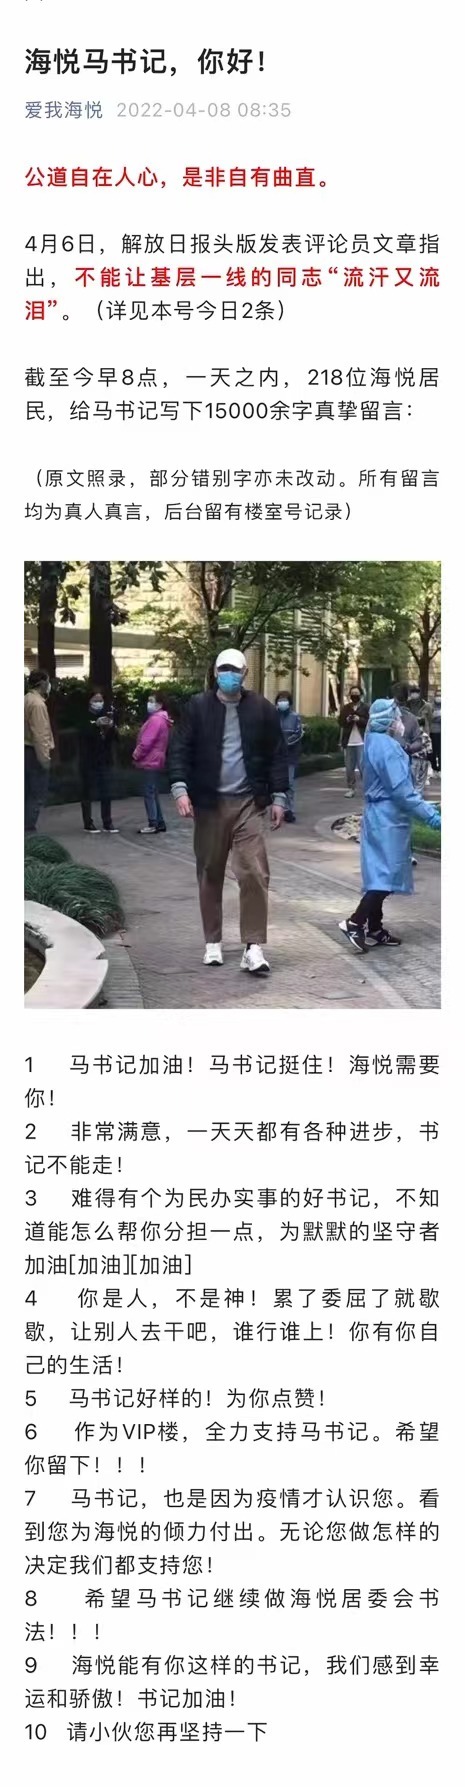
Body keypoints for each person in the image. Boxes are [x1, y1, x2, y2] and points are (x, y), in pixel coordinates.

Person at [169, 648, 288, 974]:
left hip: (249, 803)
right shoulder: (197, 707)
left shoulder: (261, 709)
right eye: (223, 669)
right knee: (210, 870)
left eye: (235, 670)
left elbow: (277, 754)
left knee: (254, 871)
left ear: (245, 673)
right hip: (209, 803)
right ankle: (213, 941)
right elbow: (179, 749)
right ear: (215, 671)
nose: (229, 675)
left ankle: (253, 946)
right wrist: (180, 788)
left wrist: (279, 797)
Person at [338, 697, 441, 953]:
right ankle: (355, 922)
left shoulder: (373, 741)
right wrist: (431, 816)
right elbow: (403, 793)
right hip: (389, 818)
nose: (399, 721)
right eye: (396, 717)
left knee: (379, 872)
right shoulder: (389, 749)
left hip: (377, 815)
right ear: (388, 720)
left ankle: (375, 928)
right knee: (386, 875)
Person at [78, 690, 119, 833]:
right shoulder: (84, 717)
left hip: (104, 760)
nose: (98, 703)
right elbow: (82, 735)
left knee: (106, 791)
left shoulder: (106, 715)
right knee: (87, 792)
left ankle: (107, 822)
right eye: (95, 700)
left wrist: (111, 727)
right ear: (89, 702)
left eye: (100, 700)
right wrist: (95, 725)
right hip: (88, 760)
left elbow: (114, 739)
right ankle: (88, 822)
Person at [132, 691, 170, 834]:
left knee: (149, 792)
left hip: (150, 760)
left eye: (152, 701)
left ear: (159, 704)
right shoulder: (162, 719)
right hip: (157, 759)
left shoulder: (155, 720)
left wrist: (136, 754)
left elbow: (146, 742)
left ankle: (153, 823)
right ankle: (159, 822)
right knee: (153, 791)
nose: (149, 703)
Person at [24, 667, 54, 832]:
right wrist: (45, 759)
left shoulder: (26, 699)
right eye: (48, 681)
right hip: (34, 752)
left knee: (26, 792)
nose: (49, 685)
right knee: (36, 793)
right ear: (42, 683)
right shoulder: (38, 704)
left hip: (25, 750)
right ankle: (28, 829)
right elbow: (40, 735)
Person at [274, 692, 303, 822]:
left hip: (290, 755)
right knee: (276, 783)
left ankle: (289, 810)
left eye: (285, 700)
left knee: (289, 783)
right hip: (275, 756)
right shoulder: (273, 716)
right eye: (280, 699)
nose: (282, 702)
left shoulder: (295, 717)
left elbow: (298, 734)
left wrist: (285, 743)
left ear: (289, 703)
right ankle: (278, 808)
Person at [339, 684, 369, 796]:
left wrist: (359, 719)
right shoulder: (346, 708)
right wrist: (348, 719)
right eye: (352, 694)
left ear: (361, 695)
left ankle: (367, 789)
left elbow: (369, 722)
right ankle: (351, 788)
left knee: (362, 767)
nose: (354, 695)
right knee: (349, 767)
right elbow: (341, 722)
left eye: (356, 693)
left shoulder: (366, 708)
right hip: (349, 741)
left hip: (361, 741)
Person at [430, 689, 441, 773]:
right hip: (433, 731)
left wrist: (436, 717)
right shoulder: (430, 706)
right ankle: (434, 768)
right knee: (433, 751)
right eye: (437, 695)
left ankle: (441, 768)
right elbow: (430, 718)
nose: (439, 697)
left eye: (440, 695)